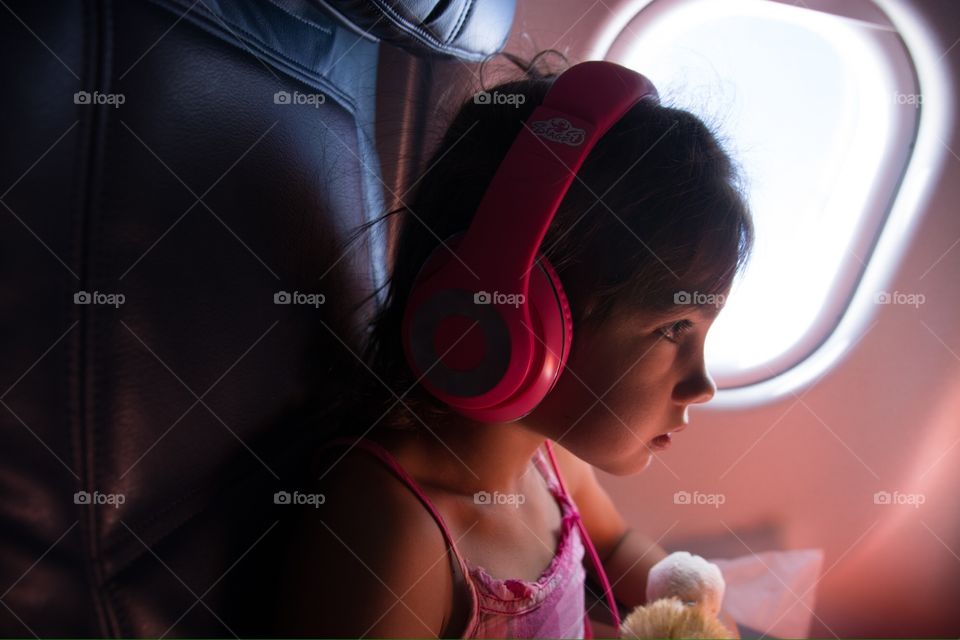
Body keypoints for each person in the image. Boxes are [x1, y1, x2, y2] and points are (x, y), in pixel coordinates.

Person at [276, 50, 754, 639]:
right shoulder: (396, 534)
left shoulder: (551, 460)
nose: (702, 386)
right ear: (516, 318)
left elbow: (616, 542)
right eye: (673, 329)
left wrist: (691, 608)